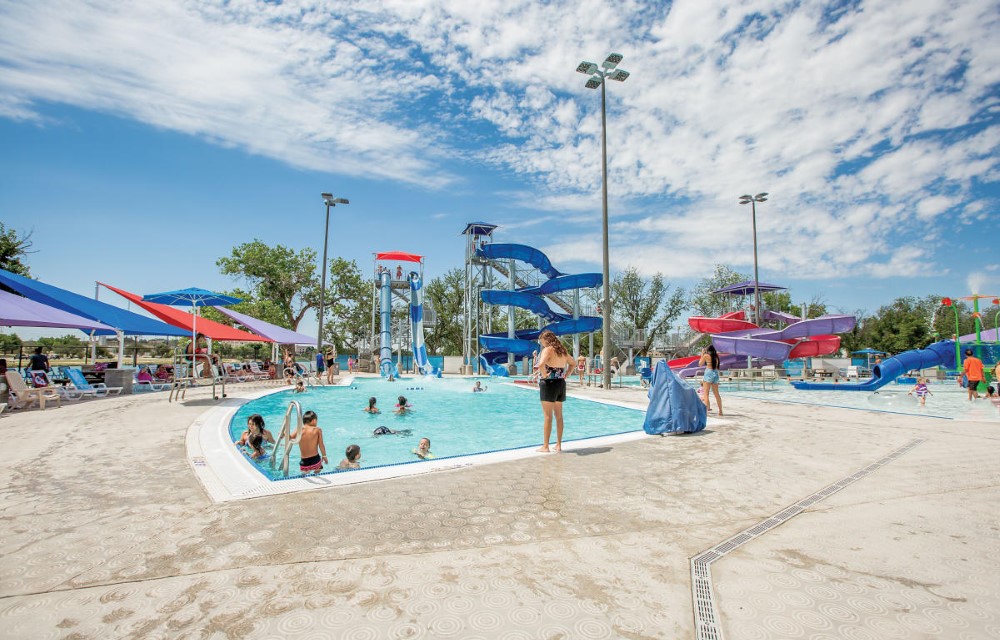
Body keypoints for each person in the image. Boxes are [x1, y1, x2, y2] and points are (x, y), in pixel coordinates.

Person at [535, 330, 575, 453]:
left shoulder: (548, 349)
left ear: (546, 340)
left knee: (547, 416)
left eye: (542, 342)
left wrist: (544, 375)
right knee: (559, 416)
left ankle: (545, 446)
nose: (542, 345)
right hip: (560, 384)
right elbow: (573, 363)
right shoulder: (562, 350)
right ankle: (558, 444)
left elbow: (541, 364)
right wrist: (567, 374)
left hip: (549, 384)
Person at [291, 410, 327, 474]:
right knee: (318, 470)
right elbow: (321, 445)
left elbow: (290, 437)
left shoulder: (299, 429)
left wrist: (284, 434)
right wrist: (324, 456)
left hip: (304, 460)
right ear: (314, 420)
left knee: (304, 475)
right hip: (315, 458)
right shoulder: (317, 430)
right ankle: (315, 475)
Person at [699, 345, 723, 416]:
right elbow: (717, 367)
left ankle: (706, 411)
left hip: (708, 373)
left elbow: (700, 364)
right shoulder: (716, 356)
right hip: (715, 373)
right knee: (717, 394)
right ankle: (720, 411)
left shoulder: (706, 356)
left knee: (706, 394)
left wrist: (702, 354)